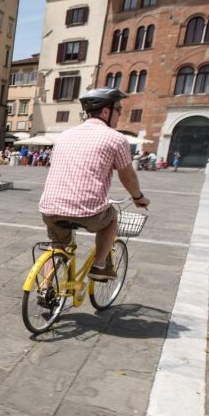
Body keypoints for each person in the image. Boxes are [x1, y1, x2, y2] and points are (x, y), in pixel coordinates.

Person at [38, 88, 149, 281]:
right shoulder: (115, 138)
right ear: (106, 112)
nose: (119, 115)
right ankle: (99, 266)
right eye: (119, 111)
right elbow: (128, 176)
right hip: (89, 211)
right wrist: (138, 197)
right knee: (112, 218)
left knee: (57, 245)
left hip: (50, 207)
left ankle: (46, 287)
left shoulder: (64, 135)